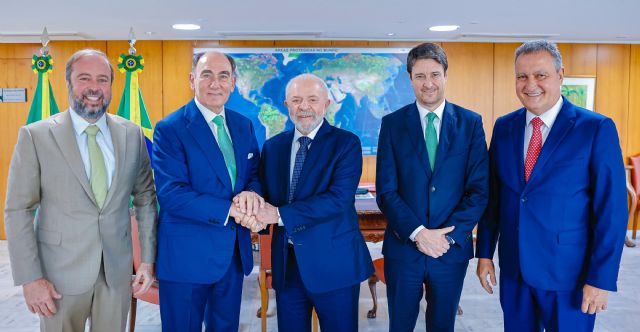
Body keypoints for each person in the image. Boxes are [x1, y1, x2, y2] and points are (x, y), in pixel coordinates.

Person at [476, 40, 628, 331]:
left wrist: (600, 278)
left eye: (540, 75)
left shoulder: (595, 128)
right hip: (515, 271)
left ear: (560, 75)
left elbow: (612, 211)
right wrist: (485, 253)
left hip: (569, 276)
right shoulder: (504, 127)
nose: (530, 84)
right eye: (522, 76)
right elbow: (495, 198)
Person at [4, 49, 157, 331]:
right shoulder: (35, 136)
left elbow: (146, 199)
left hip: (116, 273)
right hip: (58, 276)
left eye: (102, 79)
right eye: (84, 78)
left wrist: (146, 262)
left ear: (111, 85)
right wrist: (30, 278)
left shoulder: (131, 134)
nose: (94, 88)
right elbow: (18, 210)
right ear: (69, 83)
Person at [375, 42, 489, 331]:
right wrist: (418, 233)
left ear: (446, 75)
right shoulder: (392, 124)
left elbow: (478, 191)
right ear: (410, 78)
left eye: (435, 75)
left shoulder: (470, 123)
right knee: (400, 325)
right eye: (420, 76)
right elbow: (386, 191)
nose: (428, 83)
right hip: (403, 249)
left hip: (450, 252)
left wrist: (446, 239)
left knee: (442, 325)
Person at [250, 73, 373, 332]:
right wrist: (250, 202)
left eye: (312, 99)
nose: (304, 106)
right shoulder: (273, 147)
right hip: (288, 265)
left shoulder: (346, 144)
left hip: (335, 264)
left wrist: (279, 215)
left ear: (326, 103)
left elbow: (337, 199)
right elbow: (262, 190)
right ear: (286, 105)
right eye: (296, 100)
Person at [152, 51, 263, 332]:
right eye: (207, 75)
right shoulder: (170, 129)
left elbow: (254, 175)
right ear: (192, 80)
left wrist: (251, 194)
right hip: (186, 258)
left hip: (233, 257)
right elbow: (172, 193)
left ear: (233, 83)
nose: (216, 83)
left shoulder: (242, 124)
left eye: (223, 76)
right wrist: (231, 209)